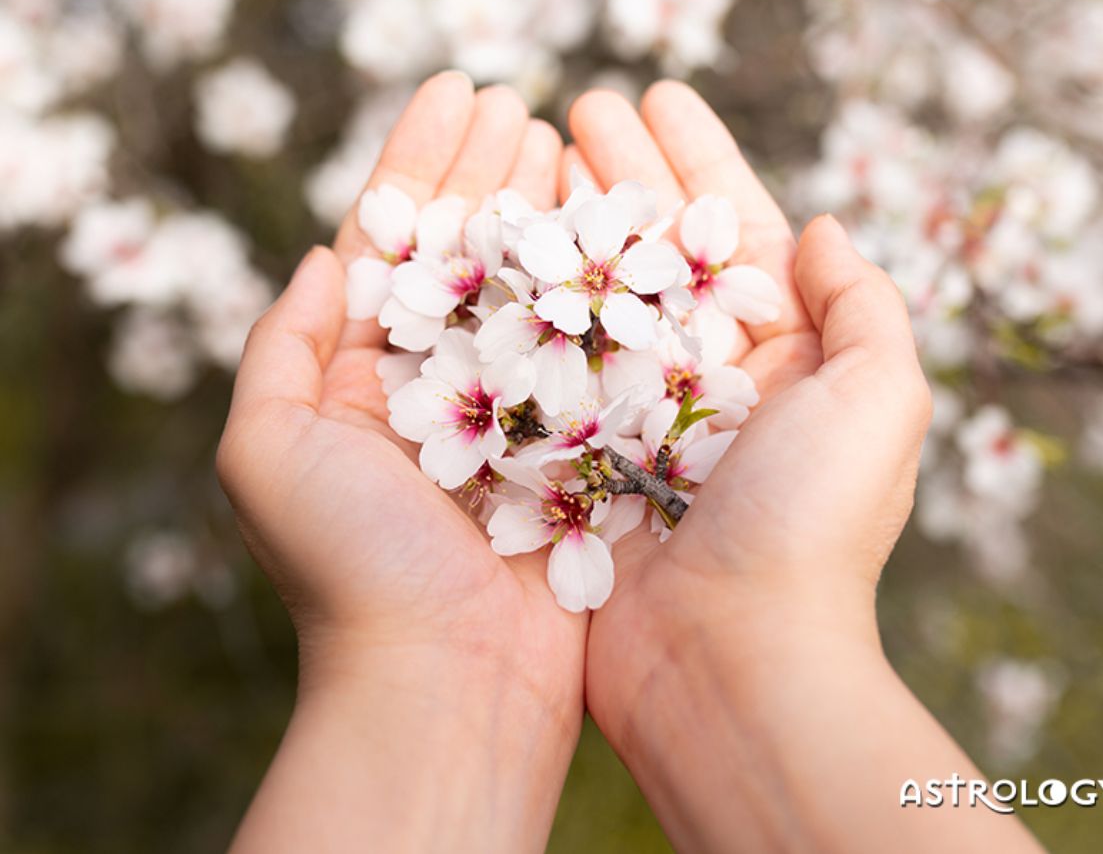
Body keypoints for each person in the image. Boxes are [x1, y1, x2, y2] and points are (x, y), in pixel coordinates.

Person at [216, 71, 1043, 853]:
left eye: (603, 271)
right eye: (595, 271)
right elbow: (527, 382)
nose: (599, 275)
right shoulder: (513, 360)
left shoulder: (637, 353)